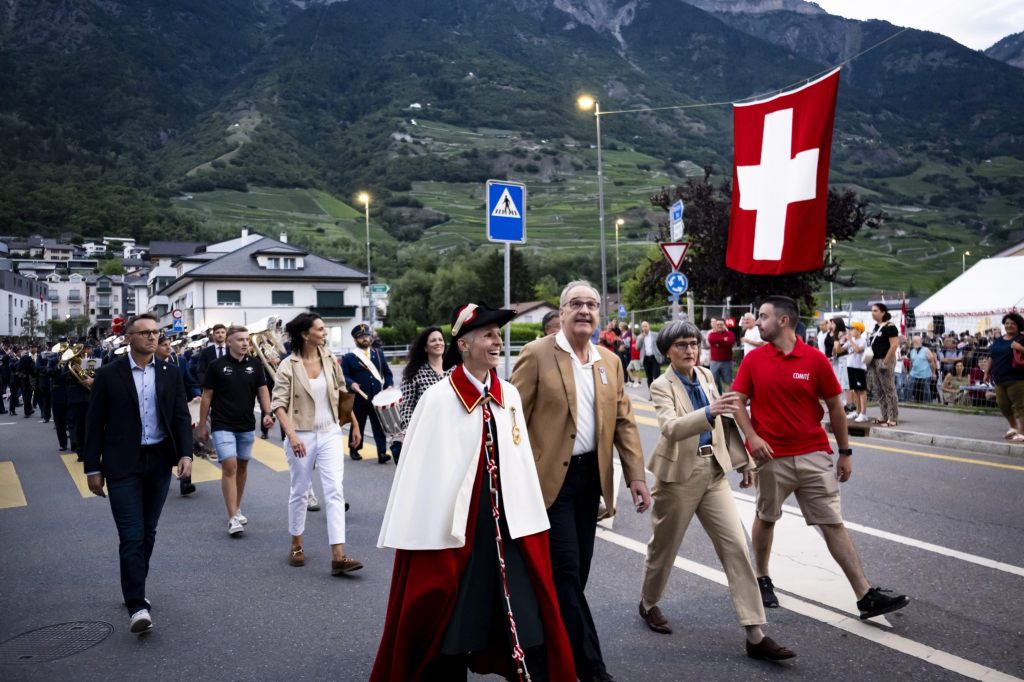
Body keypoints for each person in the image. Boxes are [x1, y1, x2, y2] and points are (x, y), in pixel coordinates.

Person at [373, 303, 575, 681]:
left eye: (499, 335)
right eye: (488, 336)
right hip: (457, 531)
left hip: (508, 527)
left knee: (524, 610)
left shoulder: (509, 394)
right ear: (464, 344)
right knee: (450, 617)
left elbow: (519, 460)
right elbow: (422, 475)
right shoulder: (438, 399)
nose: (498, 342)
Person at [730, 296, 909, 621]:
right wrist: (752, 437)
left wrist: (845, 452)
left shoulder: (814, 360)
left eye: (764, 316)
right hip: (772, 457)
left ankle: (865, 595)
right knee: (766, 517)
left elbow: (836, 408)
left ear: (783, 320)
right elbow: (737, 401)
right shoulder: (754, 360)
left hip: (814, 455)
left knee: (832, 523)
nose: (758, 322)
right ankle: (762, 577)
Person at [511, 281, 651, 682]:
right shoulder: (537, 354)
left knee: (576, 573)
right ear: (562, 311)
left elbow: (624, 421)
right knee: (567, 571)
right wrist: (513, 477)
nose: (585, 310)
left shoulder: (609, 360)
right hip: (550, 480)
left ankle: (544, 646)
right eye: (576, 304)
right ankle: (591, 668)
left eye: (591, 304)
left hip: (592, 479)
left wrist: (636, 475)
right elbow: (512, 417)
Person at [638, 320, 795, 662]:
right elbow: (671, 428)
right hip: (678, 476)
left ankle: (755, 633)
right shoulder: (661, 385)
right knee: (664, 547)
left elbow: (725, 421)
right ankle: (648, 603)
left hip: (713, 472)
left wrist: (744, 463)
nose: (690, 350)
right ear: (667, 351)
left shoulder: (707, 375)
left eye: (694, 343)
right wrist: (708, 411)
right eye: (681, 345)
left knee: (736, 547)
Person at [82, 313, 193, 634]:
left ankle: (134, 584)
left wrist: (185, 453)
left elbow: (180, 416)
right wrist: (93, 467)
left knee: (148, 532)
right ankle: (137, 604)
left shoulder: (171, 372)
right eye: (144, 333)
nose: (152, 337)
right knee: (131, 534)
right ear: (128, 338)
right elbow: (94, 423)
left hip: (159, 461)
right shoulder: (108, 374)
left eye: (155, 332)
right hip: (121, 463)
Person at [273, 312, 363, 574]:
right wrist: (292, 436)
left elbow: (342, 393)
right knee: (300, 490)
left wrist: (354, 424)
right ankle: (296, 544)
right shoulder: (288, 365)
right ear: (305, 334)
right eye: (321, 329)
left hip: (330, 432)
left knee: (335, 490)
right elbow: (278, 404)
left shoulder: (330, 360)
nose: (324, 333)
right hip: (301, 434)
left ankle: (338, 555)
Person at [197, 326, 273, 536]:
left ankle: (237, 508)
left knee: (242, 466)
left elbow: (263, 390)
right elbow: (207, 396)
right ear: (229, 342)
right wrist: (202, 424)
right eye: (240, 339)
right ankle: (232, 518)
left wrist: (267, 413)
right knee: (229, 466)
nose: (245, 343)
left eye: (247, 339)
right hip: (222, 424)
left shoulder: (254, 364)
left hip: (246, 424)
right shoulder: (216, 366)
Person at [391, 326, 446, 464]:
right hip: (425, 432)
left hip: (450, 431)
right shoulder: (414, 373)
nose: (438, 343)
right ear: (425, 347)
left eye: (440, 339)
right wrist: (413, 430)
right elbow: (407, 405)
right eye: (433, 340)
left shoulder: (454, 370)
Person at [342, 323, 394, 463]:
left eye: (366, 336)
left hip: (377, 397)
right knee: (358, 423)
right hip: (359, 398)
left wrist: (389, 385)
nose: (364, 339)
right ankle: (354, 449)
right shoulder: (349, 357)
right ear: (355, 340)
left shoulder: (378, 354)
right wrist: (351, 383)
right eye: (361, 337)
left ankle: (382, 452)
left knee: (379, 425)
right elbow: (344, 375)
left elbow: (387, 373)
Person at [155, 336, 200, 495]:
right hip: (160, 412)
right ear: (155, 347)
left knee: (183, 441)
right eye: (164, 345)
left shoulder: (179, 361)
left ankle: (185, 481)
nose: (169, 348)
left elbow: (190, 381)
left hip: (179, 410)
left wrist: (197, 394)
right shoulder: (149, 364)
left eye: (169, 344)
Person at [987, 312, 1024, 442]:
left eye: (1012, 323)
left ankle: (1022, 432)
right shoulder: (998, 340)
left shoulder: (1022, 338)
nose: (1009, 325)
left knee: (1021, 406)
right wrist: (986, 372)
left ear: (1018, 325)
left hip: (1018, 378)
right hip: (999, 378)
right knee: (1003, 405)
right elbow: (992, 357)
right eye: (1007, 323)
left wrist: (1020, 348)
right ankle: (1013, 427)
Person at [866, 303, 900, 426]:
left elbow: (894, 345)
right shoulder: (876, 327)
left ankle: (893, 417)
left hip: (885, 359)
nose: (873, 313)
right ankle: (884, 415)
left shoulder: (890, 326)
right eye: (872, 310)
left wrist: (886, 361)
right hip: (874, 361)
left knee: (889, 389)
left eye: (875, 310)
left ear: (883, 312)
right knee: (879, 389)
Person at [846, 321, 869, 422]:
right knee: (855, 390)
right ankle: (857, 411)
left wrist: (850, 340)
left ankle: (863, 413)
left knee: (861, 390)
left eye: (852, 329)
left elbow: (858, 350)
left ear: (859, 331)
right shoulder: (851, 340)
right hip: (850, 366)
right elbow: (841, 349)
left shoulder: (862, 340)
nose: (850, 331)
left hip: (859, 368)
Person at [707, 318, 736, 394]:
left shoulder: (730, 334)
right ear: (715, 325)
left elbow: (730, 342)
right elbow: (711, 340)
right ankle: (716, 397)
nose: (719, 326)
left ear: (724, 325)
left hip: (727, 361)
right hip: (714, 361)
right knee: (713, 381)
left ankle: (728, 397)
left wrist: (717, 343)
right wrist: (723, 340)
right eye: (718, 324)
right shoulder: (712, 334)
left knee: (727, 381)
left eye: (721, 324)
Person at [907, 336, 937, 404]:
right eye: (914, 341)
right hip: (913, 373)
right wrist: (909, 372)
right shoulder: (912, 351)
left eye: (917, 341)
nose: (916, 342)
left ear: (921, 342)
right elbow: (911, 363)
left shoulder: (926, 350)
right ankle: (906, 402)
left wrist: (933, 373)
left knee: (926, 391)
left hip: (925, 374)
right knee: (908, 387)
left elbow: (932, 362)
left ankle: (927, 404)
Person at [830, 318, 850, 410]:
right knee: (842, 381)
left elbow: (837, 349)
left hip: (844, 359)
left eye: (833, 324)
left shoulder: (839, 334)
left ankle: (844, 403)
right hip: (842, 358)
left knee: (843, 381)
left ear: (837, 324)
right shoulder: (843, 333)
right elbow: (835, 350)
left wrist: (836, 349)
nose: (832, 326)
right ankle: (844, 403)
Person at [637, 320, 662, 392]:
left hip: (655, 358)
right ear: (641, 328)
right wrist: (641, 338)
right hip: (646, 359)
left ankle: (658, 392)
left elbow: (661, 345)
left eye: (646, 326)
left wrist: (661, 355)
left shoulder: (655, 335)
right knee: (649, 377)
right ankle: (651, 392)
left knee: (656, 376)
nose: (644, 328)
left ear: (649, 327)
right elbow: (637, 347)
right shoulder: (640, 337)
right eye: (643, 326)